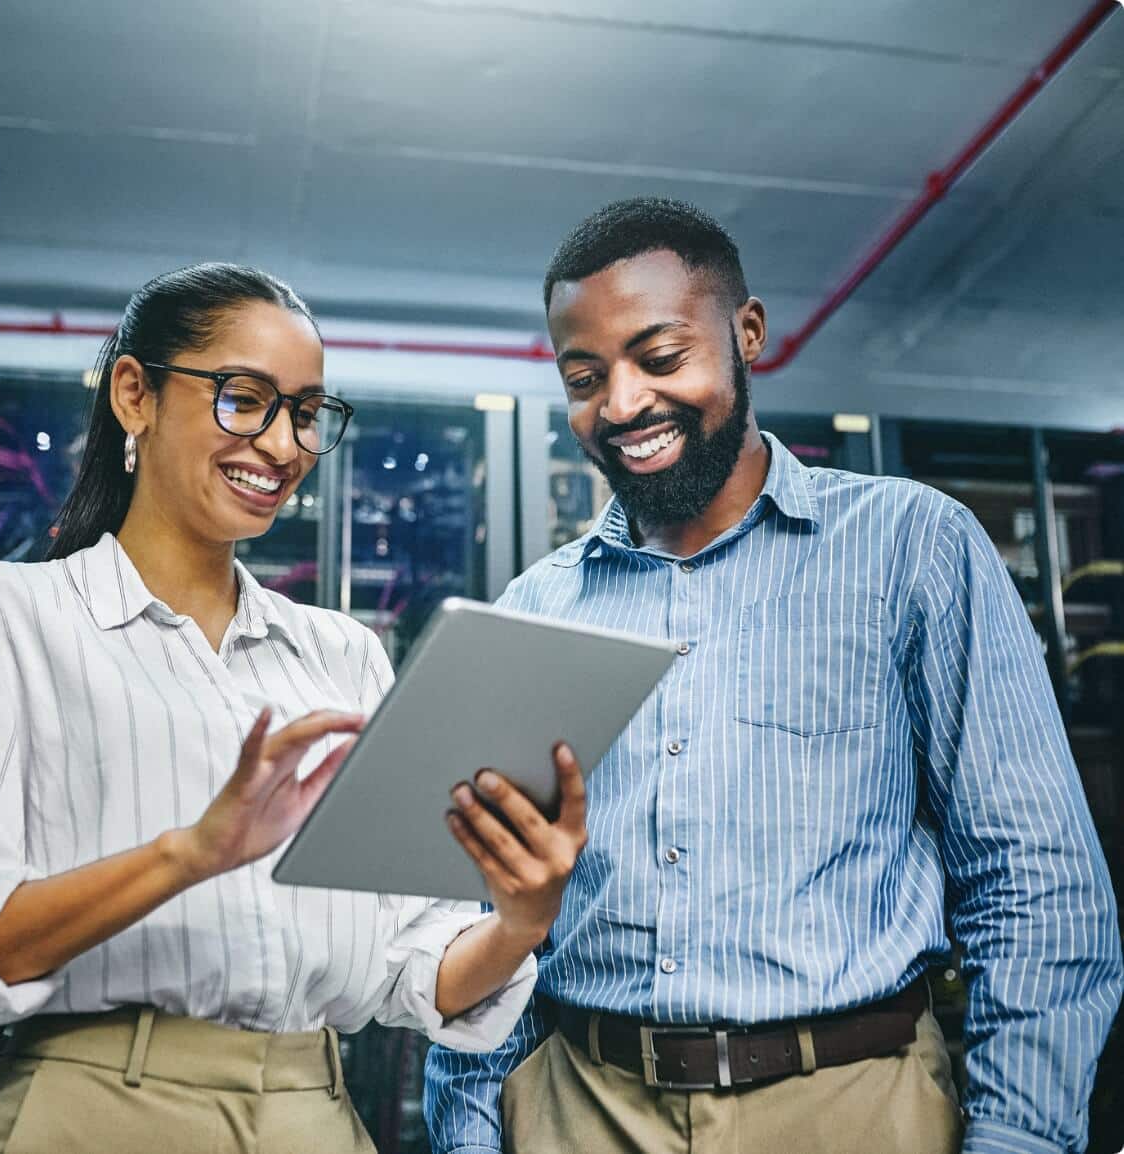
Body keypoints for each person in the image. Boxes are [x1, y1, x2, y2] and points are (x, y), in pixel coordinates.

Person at [424, 198, 1123, 1154]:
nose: (622, 405)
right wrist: (467, 1136)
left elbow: (1035, 888)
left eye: (660, 358)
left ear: (747, 333)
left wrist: (1021, 1141)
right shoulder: (536, 609)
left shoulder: (911, 547)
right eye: (585, 378)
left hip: (852, 1109)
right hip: (579, 1108)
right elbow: (486, 920)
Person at [0, 263, 588, 1154]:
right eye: (244, 399)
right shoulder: (12, 618)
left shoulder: (343, 653)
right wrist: (189, 855)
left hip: (314, 1110)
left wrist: (523, 917)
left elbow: (411, 965)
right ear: (134, 395)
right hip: (98, 1107)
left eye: (305, 412)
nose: (282, 444)